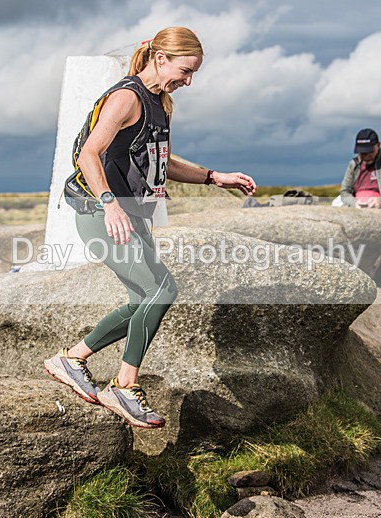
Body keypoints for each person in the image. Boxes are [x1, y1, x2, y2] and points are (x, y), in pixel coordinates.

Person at [44, 27, 257, 429]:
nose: (188, 81)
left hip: (130, 215)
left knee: (143, 299)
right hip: (100, 212)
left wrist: (215, 177)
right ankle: (124, 384)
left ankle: (71, 359)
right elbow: (90, 153)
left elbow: (163, 162)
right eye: (185, 70)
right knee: (162, 290)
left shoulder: (160, 103)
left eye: (193, 73)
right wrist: (109, 204)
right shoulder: (127, 97)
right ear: (160, 58)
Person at [338, 128, 381, 208]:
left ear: (378, 145)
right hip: (357, 206)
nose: (367, 156)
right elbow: (344, 191)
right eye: (363, 153)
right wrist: (354, 202)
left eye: (370, 152)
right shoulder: (354, 164)